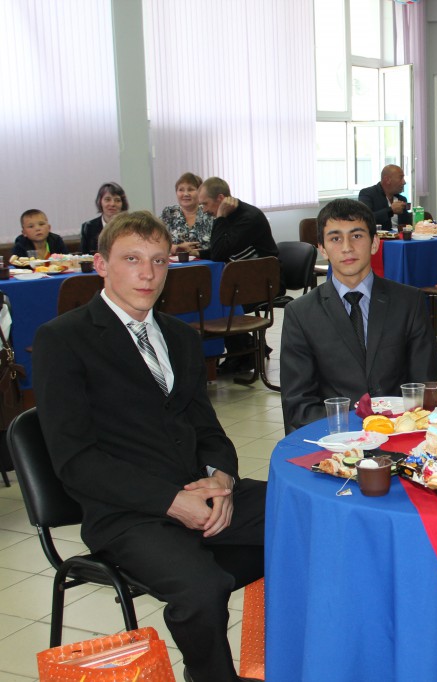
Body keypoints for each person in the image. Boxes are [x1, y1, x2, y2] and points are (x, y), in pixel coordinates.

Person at [34, 211, 266, 682]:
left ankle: (292, 658)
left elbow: (207, 428)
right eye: (132, 259)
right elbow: (76, 461)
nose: (147, 274)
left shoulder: (179, 336)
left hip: (198, 491)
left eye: (159, 261)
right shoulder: (63, 340)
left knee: (310, 515)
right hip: (127, 513)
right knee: (202, 587)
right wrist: (171, 501)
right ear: (101, 265)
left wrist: (221, 478)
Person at [280, 199, 437, 433]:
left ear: (374, 243)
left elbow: (428, 388)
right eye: (335, 239)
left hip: (401, 433)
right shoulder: (301, 314)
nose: (347, 247)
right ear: (322, 249)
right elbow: (298, 407)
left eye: (356, 236)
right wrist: (360, 430)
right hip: (335, 437)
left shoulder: (409, 302)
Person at [197, 177, 279, 373]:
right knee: (209, 298)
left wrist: (220, 218)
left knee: (214, 302)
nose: (204, 210)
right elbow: (222, 249)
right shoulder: (231, 215)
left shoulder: (248, 218)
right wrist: (197, 253)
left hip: (262, 284)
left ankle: (245, 353)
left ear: (220, 199)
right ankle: (246, 350)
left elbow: (220, 253)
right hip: (242, 282)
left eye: (205, 204)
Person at [161, 172, 214, 255]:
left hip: (205, 261)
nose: (185, 194)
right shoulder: (169, 213)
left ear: (200, 193)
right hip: (175, 262)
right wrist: (177, 248)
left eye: (190, 189)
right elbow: (156, 242)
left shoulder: (209, 212)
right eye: (181, 190)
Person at [81, 181, 128, 254]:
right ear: (100, 202)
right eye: (107, 199)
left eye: (117, 200)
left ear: (123, 204)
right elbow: (84, 257)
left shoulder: (130, 226)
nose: (112, 204)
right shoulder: (88, 227)